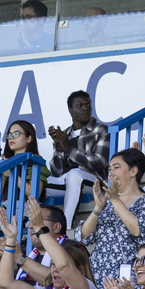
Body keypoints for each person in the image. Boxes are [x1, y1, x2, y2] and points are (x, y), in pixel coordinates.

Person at [77, 148, 145, 289]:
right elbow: (83, 236)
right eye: (110, 169)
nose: (111, 173)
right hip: (100, 279)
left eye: (116, 167)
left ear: (133, 171)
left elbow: (140, 231)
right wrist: (98, 208)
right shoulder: (105, 203)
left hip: (132, 281)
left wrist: (115, 199)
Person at [46, 91, 110, 230]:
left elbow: (100, 163)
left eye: (87, 104)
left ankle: (66, 228)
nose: (85, 108)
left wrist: (68, 148)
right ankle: (33, 226)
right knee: (39, 183)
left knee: (75, 174)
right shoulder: (65, 134)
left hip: (94, 181)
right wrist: (59, 146)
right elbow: (57, 172)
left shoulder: (100, 130)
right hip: (68, 181)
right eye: (80, 105)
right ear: (70, 110)